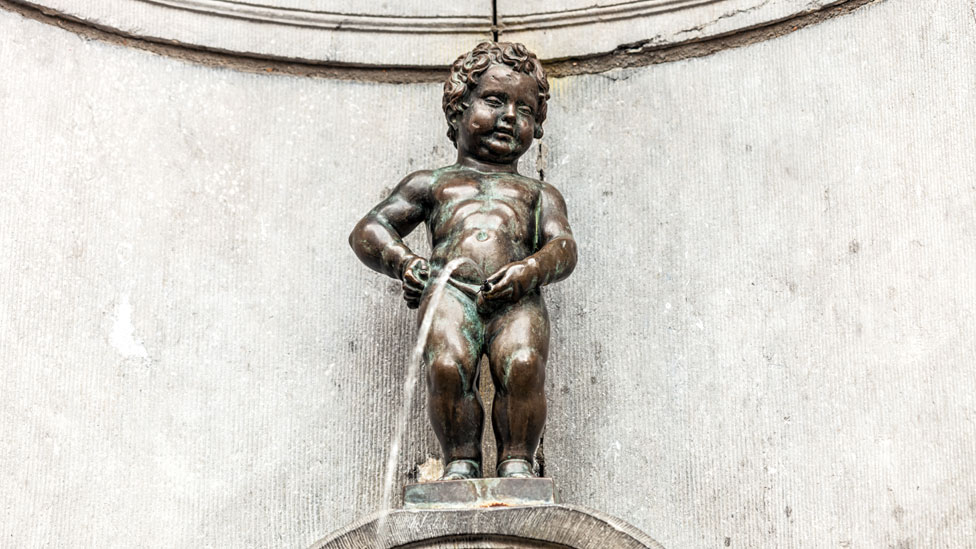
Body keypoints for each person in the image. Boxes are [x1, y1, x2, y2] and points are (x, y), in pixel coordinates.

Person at [349, 42, 577, 480]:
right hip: (449, 289)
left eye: (525, 109)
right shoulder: (433, 184)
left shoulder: (538, 193)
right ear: (458, 109)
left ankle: (516, 461)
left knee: (524, 365)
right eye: (495, 100)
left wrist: (530, 270)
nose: (510, 116)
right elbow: (369, 230)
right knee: (446, 366)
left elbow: (563, 247)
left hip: (518, 292)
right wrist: (404, 263)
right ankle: (461, 461)